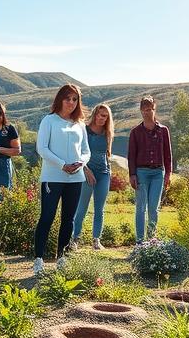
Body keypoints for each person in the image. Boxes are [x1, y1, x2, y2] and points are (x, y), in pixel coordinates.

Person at [33, 84, 90, 274]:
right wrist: (62, 164)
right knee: (47, 218)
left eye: (75, 99)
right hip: (53, 177)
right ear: (60, 99)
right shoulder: (48, 121)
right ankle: (39, 259)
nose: (71, 103)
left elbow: (85, 151)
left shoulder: (80, 124)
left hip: (75, 178)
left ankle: (62, 258)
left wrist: (80, 163)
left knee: (69, 220)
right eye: (68, 99)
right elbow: (42, 149)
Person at [125, 97, 173, 244]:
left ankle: (151, 240)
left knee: (153, 208)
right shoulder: (135, 132)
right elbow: (131, 155)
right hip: (141, 173)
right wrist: (132, 174)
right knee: (141, 207)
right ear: (141, 111)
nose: (147, 112)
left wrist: (168, 174)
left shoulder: (163, 130)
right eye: (144, 110)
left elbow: (168, 153)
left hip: (158, 173)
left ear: (154, 109)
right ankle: (140, 242)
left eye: (150, 109)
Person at [72, 103, 115, 249]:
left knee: (99, 208)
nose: (103, 118)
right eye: (101, 115)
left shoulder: (108, 133)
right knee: (81, 207)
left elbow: (107, 154)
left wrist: (109, 170)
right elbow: (78, 153)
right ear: (95, 114)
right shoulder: (85, 130)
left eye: (106, 116)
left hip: (103, 173)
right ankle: (75, 239)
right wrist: (86, 170)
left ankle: (96, 240)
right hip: (86, 172)